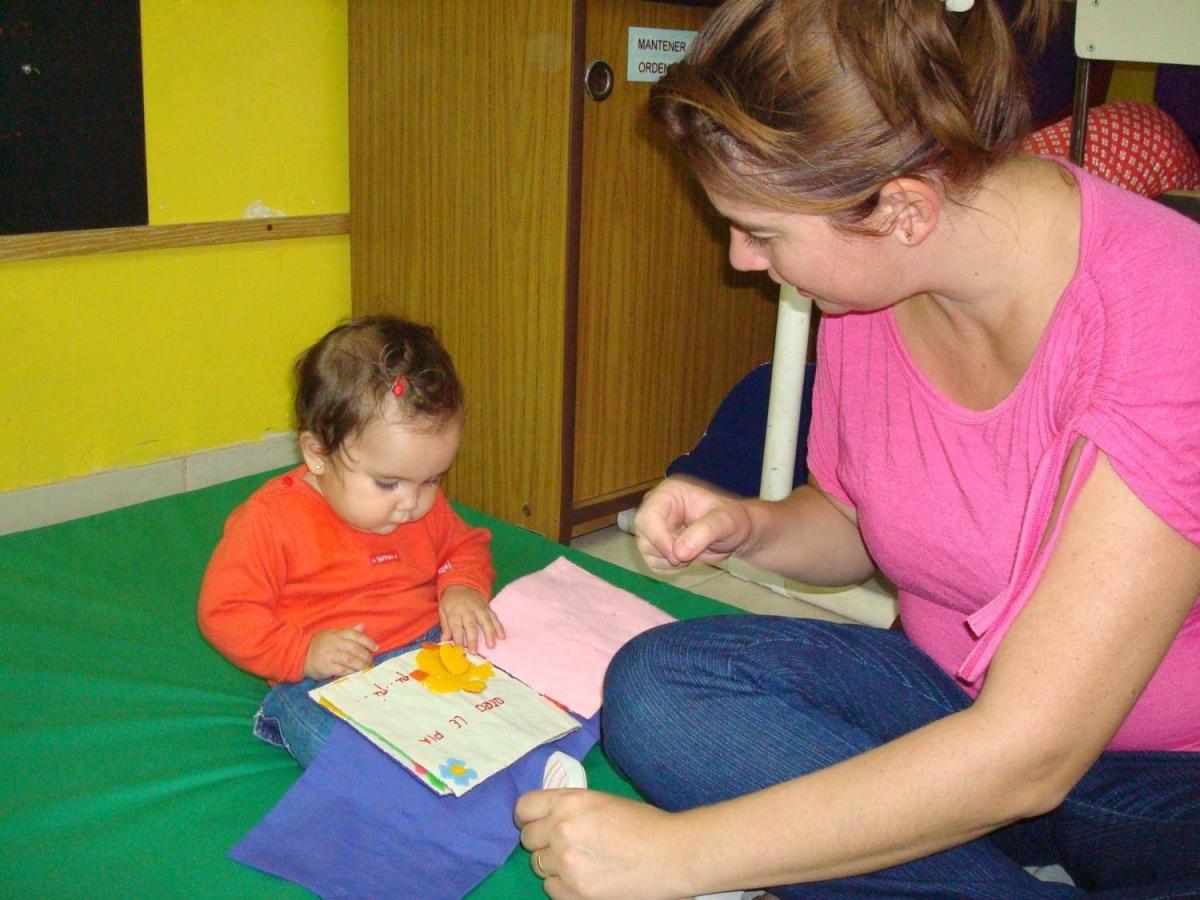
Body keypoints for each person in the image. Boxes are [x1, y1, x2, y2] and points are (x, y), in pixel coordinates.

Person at [514, 0, 1200, 896]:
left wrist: (675, 858)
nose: (741, 260)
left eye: (762, 232)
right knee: (660, 688)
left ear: (902, 210)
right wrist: (751, 525)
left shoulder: (1165, 317)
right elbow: (857, 520)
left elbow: (1034, 753)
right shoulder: (873, 284)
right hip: (955, 714)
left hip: (1159, 790)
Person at [199, 315, 502, 768]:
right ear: (317, 454)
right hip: (326, 676)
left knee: (506, 691)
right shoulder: (269, 521)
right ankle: (388, 790)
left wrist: (460, 585)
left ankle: (502, 762)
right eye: (388, 484)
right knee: (338, 748)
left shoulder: (417, 501)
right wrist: (301, 653)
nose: (411, 504)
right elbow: (225, 611)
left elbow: (464, 546)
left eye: (433, 479)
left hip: (429, 650)